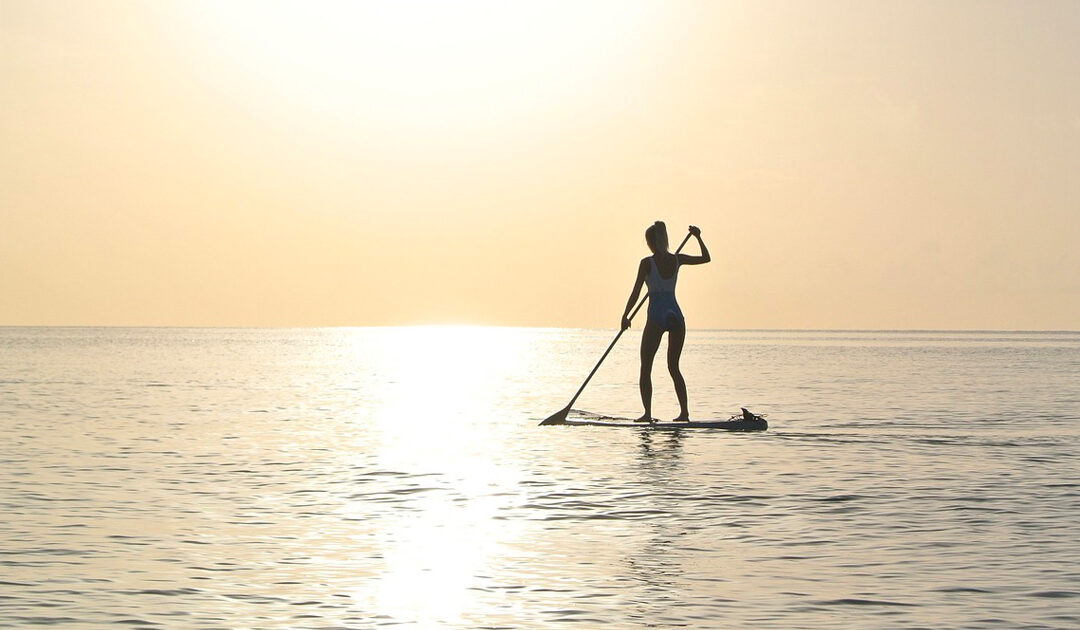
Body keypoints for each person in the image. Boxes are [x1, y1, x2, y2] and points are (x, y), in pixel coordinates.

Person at [620, 222, 710, 423]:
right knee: (674, 367)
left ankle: (648, 414)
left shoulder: (646, 263)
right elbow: (706, 258)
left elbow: (636, 292)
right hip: (676, 314)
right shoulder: (677, 259)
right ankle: (684, 413)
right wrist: (697, 237)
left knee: (646, 366)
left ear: (651, 242)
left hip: (657, 315)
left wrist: (625, 316)